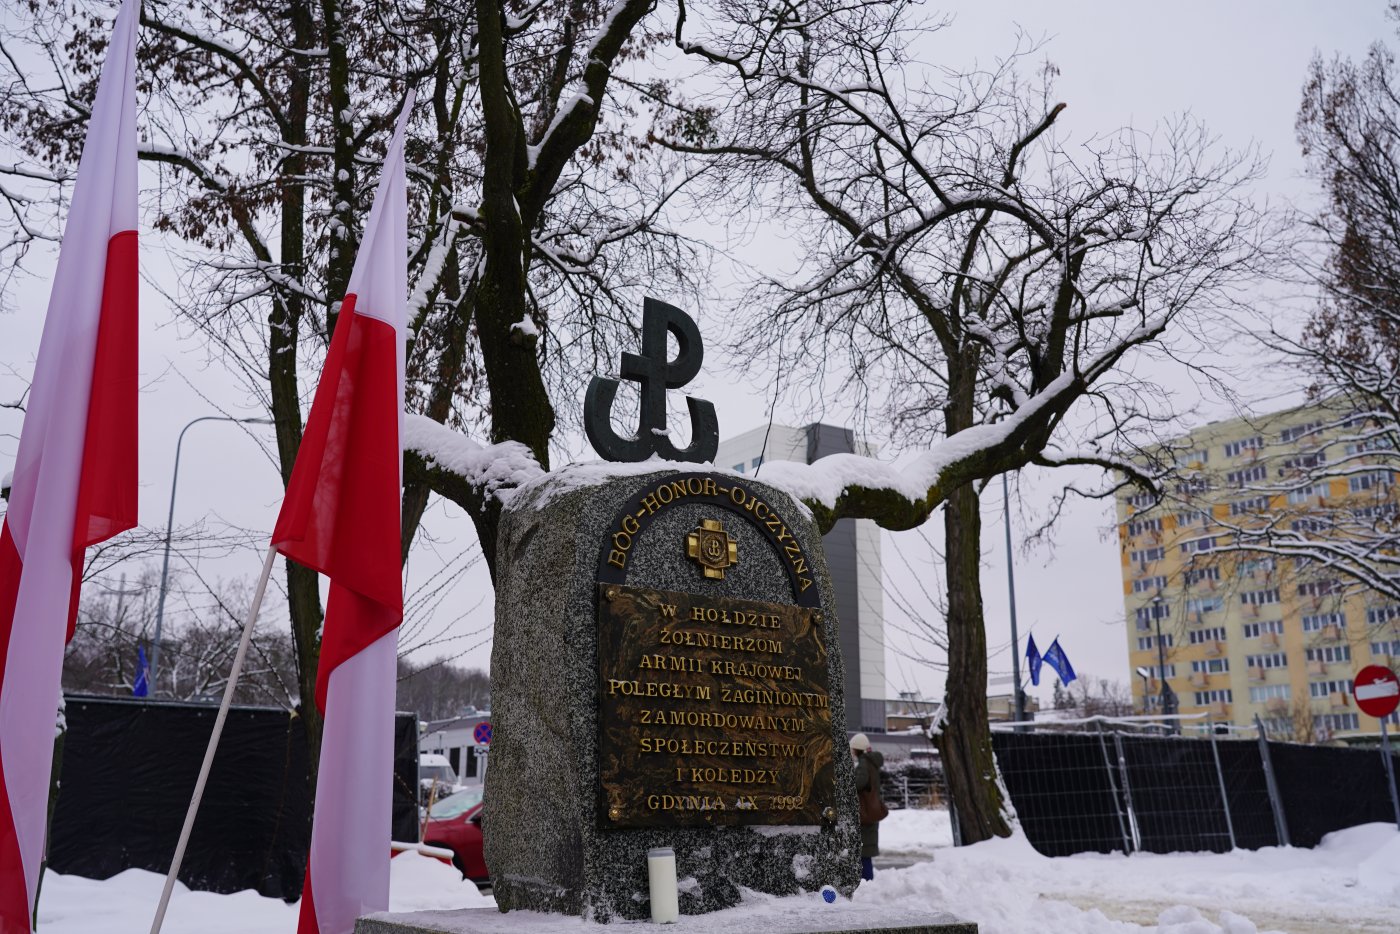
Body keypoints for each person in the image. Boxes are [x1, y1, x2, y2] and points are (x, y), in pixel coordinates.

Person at [850, 732, 884, 881]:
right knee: (865, 853)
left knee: (863, 853)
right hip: (871, 810)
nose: (852, 752)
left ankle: (866, 883)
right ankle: (866, 881)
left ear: (858, 749)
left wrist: (846, 782)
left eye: (853, 749)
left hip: (865, 812)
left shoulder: (864, 763)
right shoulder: (872, 763)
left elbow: (858, 783)